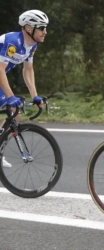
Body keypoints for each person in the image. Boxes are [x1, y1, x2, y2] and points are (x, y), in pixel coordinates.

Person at [0, 10, 48, 167]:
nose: (45, 32)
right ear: (28, 28)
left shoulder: (31, 45)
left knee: (14, 111)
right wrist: (10, 96)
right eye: (41, 27)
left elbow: (28, 70)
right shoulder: (13, 42)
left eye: (45, 28)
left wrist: (35, 96)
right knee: (11, 103)